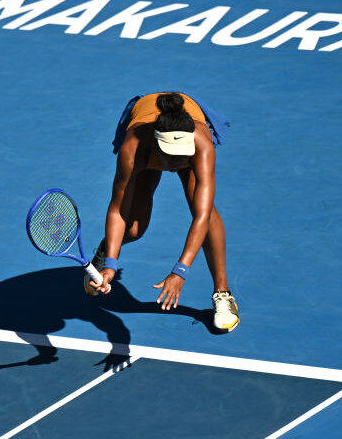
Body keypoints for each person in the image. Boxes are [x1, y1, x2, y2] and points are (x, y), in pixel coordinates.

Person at [86, 92, 240, 332]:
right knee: (134, 229)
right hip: (146, 152)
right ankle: (105, 251)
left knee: (206, 214)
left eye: (183, 155)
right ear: (158, 144)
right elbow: (118, 209)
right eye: (172, 156)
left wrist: (180, 271)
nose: (178, 162)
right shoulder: (133, 149)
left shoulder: (200, 146)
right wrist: (112, 264)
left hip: (176, 144)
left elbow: (202, 215)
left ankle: (223, 293)